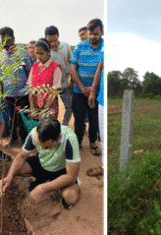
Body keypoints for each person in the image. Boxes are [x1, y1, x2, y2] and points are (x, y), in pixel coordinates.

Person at [0, 117, 81, 210]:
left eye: (46, 147)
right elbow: (21, 156)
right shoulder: (34, 133)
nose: (41, 148)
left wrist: (42, 188)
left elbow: (71, 177)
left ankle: (50, 183)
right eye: (39, 145)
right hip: (42, 163)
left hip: (61, 170)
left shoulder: (69, 139)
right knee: (17, 168)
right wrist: (9, 176)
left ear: (59, 138)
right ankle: (45, 179)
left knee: (71, 197)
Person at [70, 18, 104, 156]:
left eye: (95, 34)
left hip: (97, 92)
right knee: (78, 118)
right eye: (90, 34)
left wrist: (92, 90)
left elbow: (100, 69)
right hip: (79, 91)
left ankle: (92, 142)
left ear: (101, 32)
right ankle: (77, 142)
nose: (92, 37)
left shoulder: (104, 47)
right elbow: (72, 69)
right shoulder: (79, 47)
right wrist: (82, 87)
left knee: (94, 118)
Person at [0, 27, 32, 145]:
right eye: (2, 39)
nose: (5, 42)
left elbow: (30, 72)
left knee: (23, 118)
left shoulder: (23, 53)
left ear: (13, 39)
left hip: (23, 93)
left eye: (7, 40)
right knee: (10, 119)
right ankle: (12, 139)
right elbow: (1, 76)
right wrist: (2, 93)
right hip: (8, 94)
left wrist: (30, 90)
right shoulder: (1, 55)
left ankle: (24, 140)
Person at [45, 26, 73, 126]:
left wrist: (72, 81)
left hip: (65, 85)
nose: (52, 44)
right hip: (50, 88)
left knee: (70, 107)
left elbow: (71, 64)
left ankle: (64, 126)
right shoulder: (45, 51)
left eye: (55, 40)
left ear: (58, 36)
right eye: (50, 41)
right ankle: (51, 127)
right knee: (49, 110)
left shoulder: (66, 46)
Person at [27, 38, 62, 119]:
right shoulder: (34, 67)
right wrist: (32, 108)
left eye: (41, 53)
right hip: (36, 107)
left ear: (48, 52)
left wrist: (45, 110)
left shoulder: (55, 68)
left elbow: (55, 91)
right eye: (37, 53)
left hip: (49, 107)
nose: (38, 56)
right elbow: (30, 89)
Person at [87, 47, 104, 176]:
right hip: (102, 98)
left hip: (104, 97)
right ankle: (104, 166)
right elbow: (99, 68)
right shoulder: (105, 49)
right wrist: (93, 92)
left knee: (102, 134)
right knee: (103, 137)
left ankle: (104, 165)